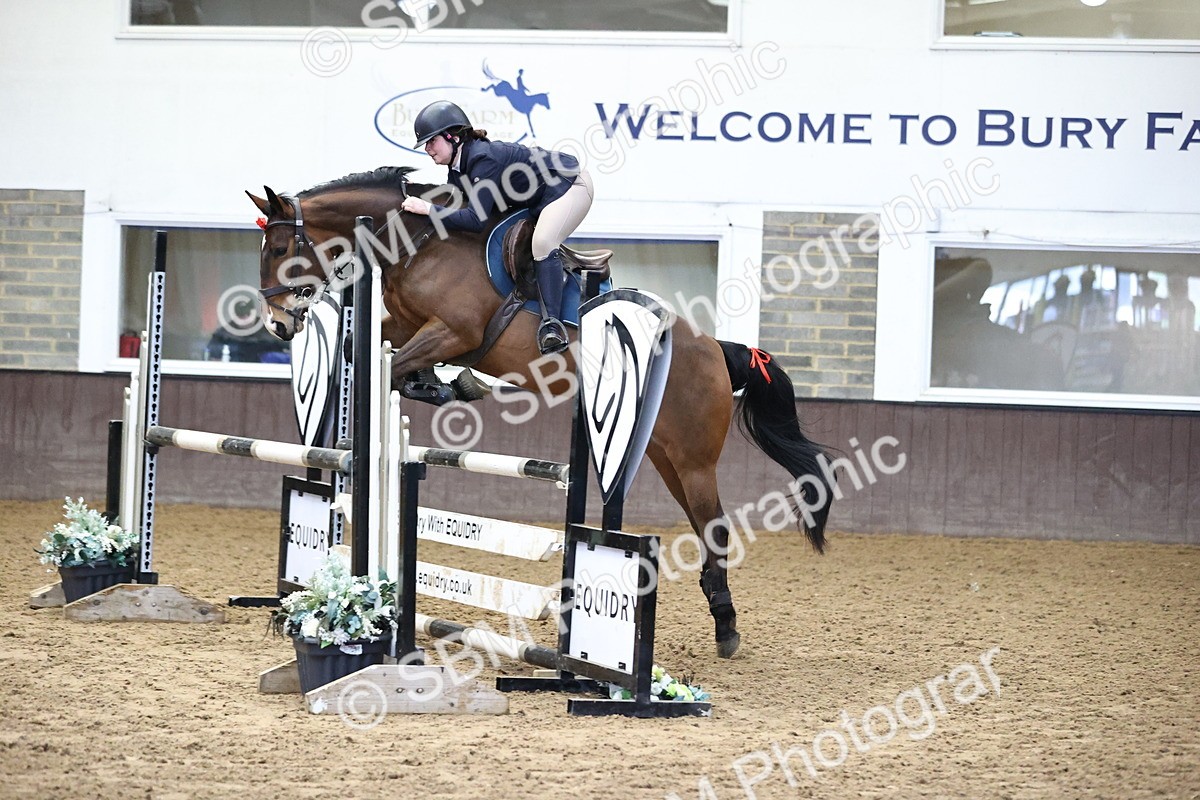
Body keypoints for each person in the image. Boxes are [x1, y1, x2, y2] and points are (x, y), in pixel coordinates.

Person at [399, 100, 593, 355]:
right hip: (535, 197)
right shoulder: (457, 169)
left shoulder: (482, 159)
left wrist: (427, 209)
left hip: (569, 186)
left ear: (452, 136)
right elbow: (458, 213)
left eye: (431, 141)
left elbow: (475, 220)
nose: (427, 149)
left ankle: (552, 326)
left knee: (543, 242)